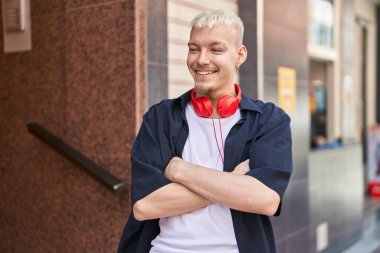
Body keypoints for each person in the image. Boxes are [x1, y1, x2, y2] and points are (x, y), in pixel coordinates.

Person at [117, 9, 292, 253]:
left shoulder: (269, 121)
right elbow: (145, 205)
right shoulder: (160, 118)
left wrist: (181, 170)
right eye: (193, 48)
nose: (201, 59)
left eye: (216, 49)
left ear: (239, 55)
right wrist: (235, 182)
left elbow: (265, 200)